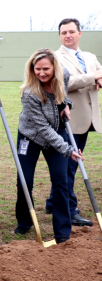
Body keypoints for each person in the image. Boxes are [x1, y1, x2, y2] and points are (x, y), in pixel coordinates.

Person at [14, 48, 84, 244]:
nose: (41, 73)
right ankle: (24, 221)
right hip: (30, 136)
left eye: (46, 69)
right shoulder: (29, 93)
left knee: (61, 181)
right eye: (37, 69)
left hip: (57, 130)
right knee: (25, 180)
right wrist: (67, 149)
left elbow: (63, 97)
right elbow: (43, 128)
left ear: (55, 67)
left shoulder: (65, 76)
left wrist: (67, 105)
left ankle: (62, 232)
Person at [47, 18, 102, 226]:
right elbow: (63, 82)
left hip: (87, 120)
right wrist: (93, 76)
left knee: (69, 167)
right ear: (60, 36)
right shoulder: (55, 57)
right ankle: (69, 208)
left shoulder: (88, 56)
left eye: (71, 31)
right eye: (63, 33)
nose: (67, 35)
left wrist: (98, 78)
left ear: (80, 33)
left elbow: (99, 72)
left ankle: (54, 201)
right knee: (69, 166)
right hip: (67, 120)